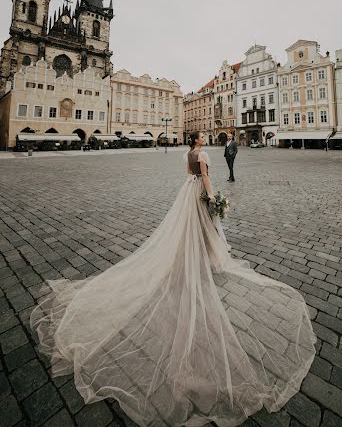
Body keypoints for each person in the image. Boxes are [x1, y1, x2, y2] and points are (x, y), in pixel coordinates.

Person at [30, 130, 316, 427]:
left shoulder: (186, 154)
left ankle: (199, 253)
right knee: (203, 224)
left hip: (186, 193)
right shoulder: (203, 155)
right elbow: (204, 178)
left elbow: (188, 174)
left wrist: (199, 185)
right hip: (198, 192)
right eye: (203, 136)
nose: (205, 138)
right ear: (199, 141)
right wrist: (213, 196)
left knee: (189, 227)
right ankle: (205, 255)